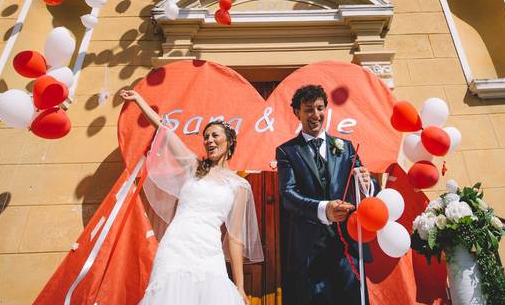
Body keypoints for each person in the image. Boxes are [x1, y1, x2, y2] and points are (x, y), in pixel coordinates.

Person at [120, 88, 263, 305]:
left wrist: (240, 286)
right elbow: (164, 130)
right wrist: (139, 100)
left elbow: (235, 238)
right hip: (176, 246)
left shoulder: (239, 186)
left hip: (208, 252)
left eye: (215, 135)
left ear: (229, 142)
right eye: (206, 137)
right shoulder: (193, 166)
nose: (209, 140)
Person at [276, 84, 377, 305]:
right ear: (297, 113)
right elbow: (288, 194)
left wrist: (367, 184)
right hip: (310, 249)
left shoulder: (346, 147)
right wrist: (324, 210)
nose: (316, 115)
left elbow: (366, 186)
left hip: (347, 248)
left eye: (320, 108)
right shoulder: (287, 151)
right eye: (309, 109)